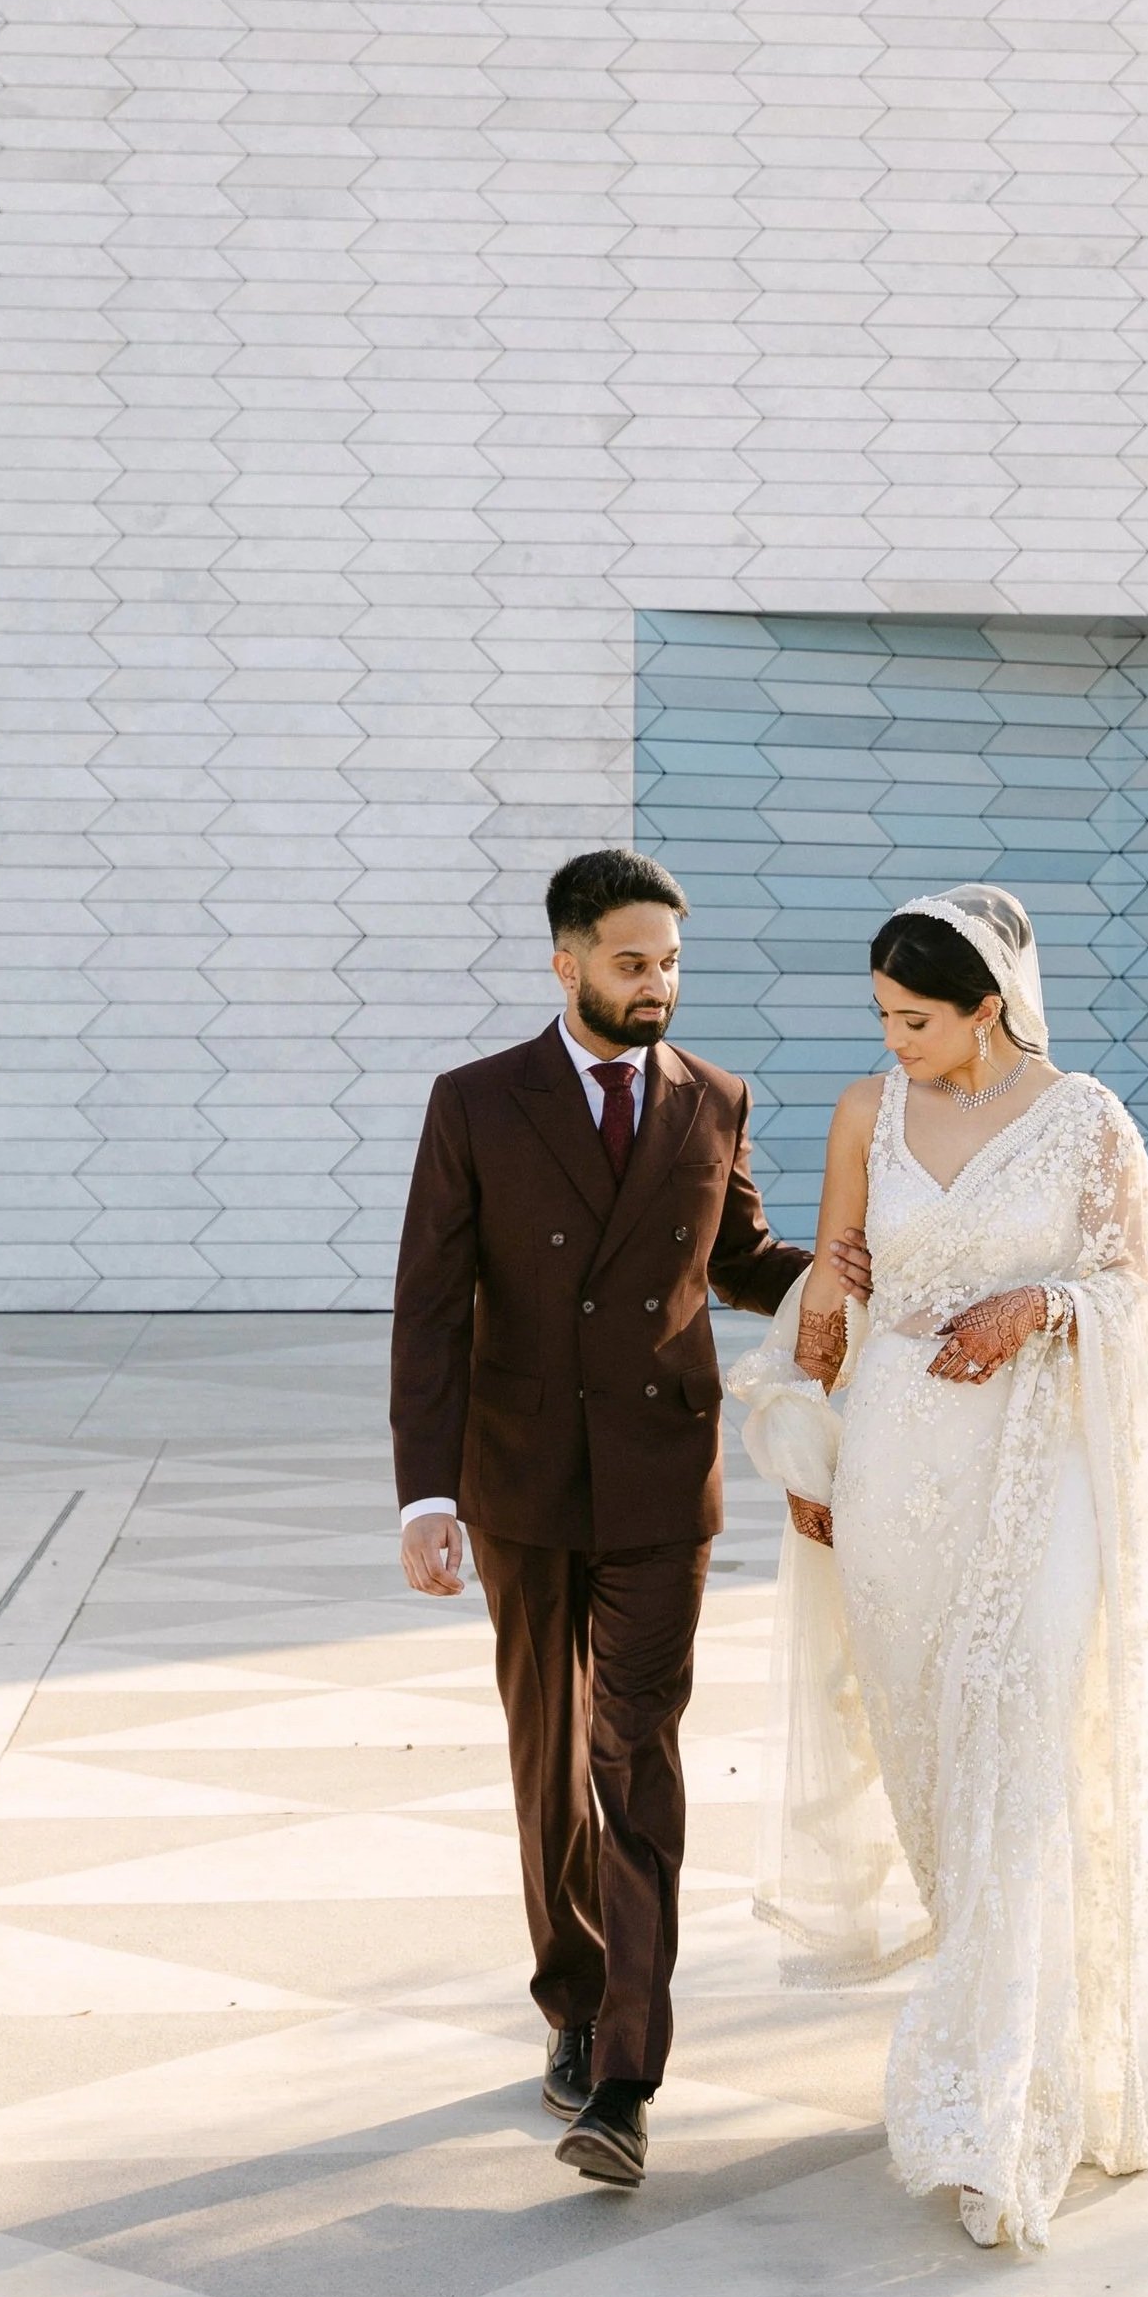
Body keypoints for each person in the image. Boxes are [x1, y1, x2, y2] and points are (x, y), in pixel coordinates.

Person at [730, 883, 1148, 2253]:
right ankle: (987, 2020)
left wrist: (1043, 1302)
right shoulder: (869, 1114)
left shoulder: (1089, 1117)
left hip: (1038, 1472)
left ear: (989, 1003)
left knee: (1021, 1750)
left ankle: (1003, 2100)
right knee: (937, 1764)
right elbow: (839, 1291)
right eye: (882, 1016)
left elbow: (1141, 1288)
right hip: (893, 1479)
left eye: (917, 1017)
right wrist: (820, 1360)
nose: (898, 1039)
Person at [391, 848, 812, 2192]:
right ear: (565, 959)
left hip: (654, 1477)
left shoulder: (715, 1100)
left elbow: (739, 1259)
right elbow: (430, 1304)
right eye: (633, 962)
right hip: (520, 1480)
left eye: (672, 962)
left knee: (636, 1753)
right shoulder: (475, 1103)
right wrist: (429, 1489)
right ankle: (573, 1995)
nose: (658, 987)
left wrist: (857, 1270)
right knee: (549, 1750)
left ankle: (625, 2071)